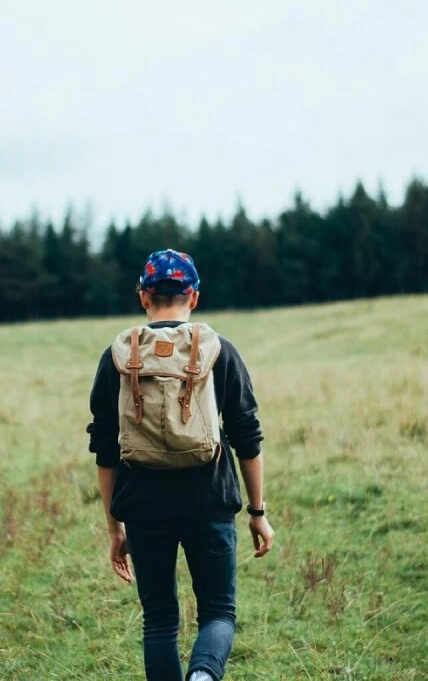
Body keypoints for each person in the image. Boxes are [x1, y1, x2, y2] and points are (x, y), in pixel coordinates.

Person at [87, 249, 275, 681]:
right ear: (193, 296)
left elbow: (104, 446)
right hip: (209, 499)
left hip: (143, 504)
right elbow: (247, 436)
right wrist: (258, 513)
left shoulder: (117, 356)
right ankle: (204, 676)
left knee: (159, 621)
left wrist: (115, 526)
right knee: (219, 613)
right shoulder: (218, 351)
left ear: (143, 296)